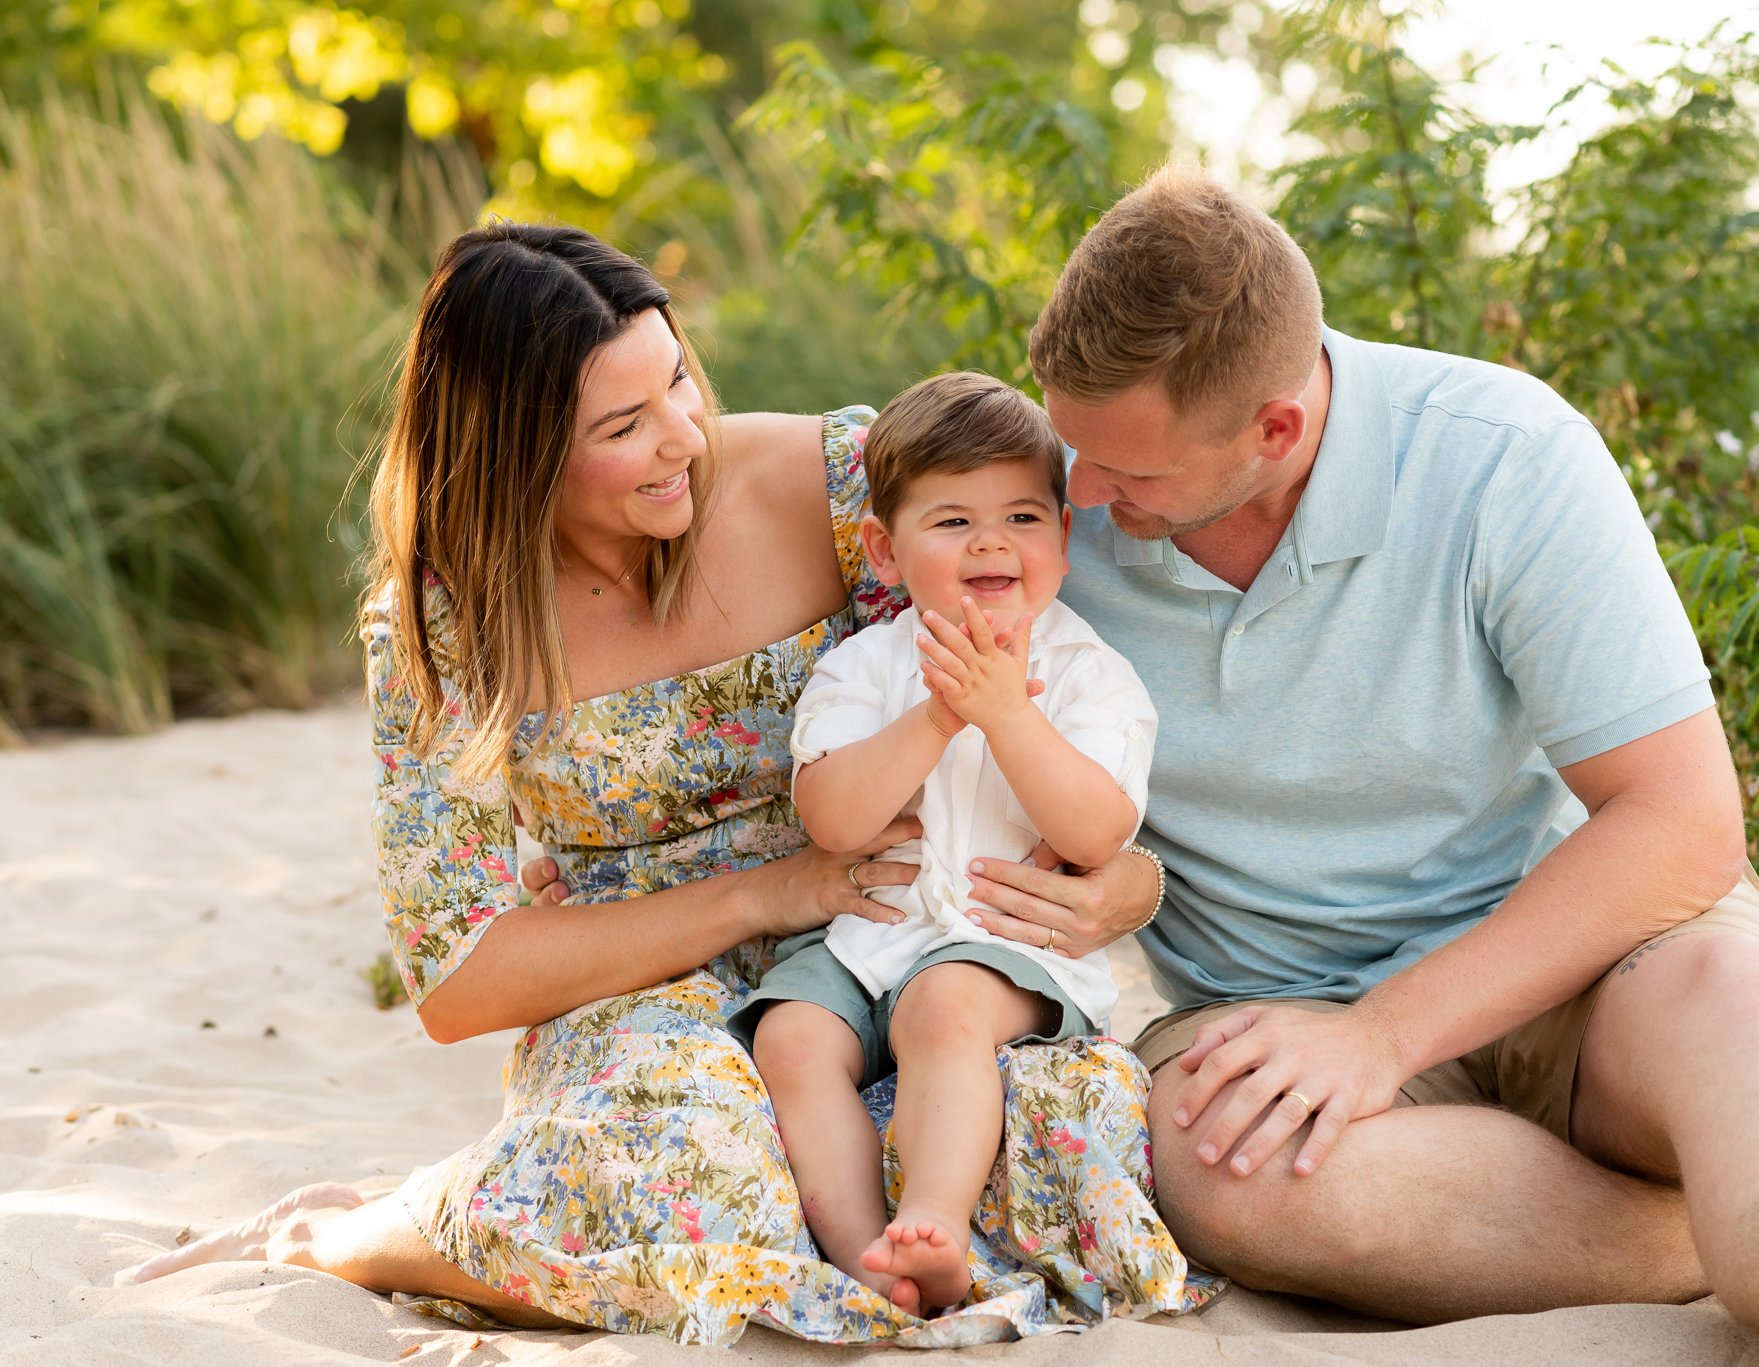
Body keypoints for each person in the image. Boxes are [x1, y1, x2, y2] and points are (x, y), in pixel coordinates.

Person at [930, 166, 1759, 1367]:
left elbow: (1678, 820)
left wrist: (1383, 1034)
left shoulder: (1501, 454)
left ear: (1276, 427)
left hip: (1585, 948)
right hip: (1276, 1003)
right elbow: (808, 466)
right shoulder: (1038, 499)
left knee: (1736, 1008)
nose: (1079, 493)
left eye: (1129, 476)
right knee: (1221, 1166)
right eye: (1072, 445)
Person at [123, 222, 1212, 1345]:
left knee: (1061, 1151)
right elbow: (455, 978)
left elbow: (1059, 656)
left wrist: (1129, 877)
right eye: (622, 426)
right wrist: (765, 891)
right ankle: (362, 1232)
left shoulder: (842, 483)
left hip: (909, 948)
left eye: (678, 379)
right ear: (519, 451)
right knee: (692, 1170)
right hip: (651, 992)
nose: (683, 437)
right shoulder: (446, 624)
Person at [725, 372, 1158, 1315]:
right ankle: (866, 1254)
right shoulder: (865, 666)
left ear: (1062, 538)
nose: (992, 541)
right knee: (792, 1038)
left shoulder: (1088, 675)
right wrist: (934, 720)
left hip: (1004, 952)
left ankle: (936, 1220)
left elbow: (1096, 830)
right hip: (863, 945)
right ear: (886, 549)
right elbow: (833, 819)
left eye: (1022, 518)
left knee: (941, 1009)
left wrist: (1005, 716)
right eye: (953, 521)